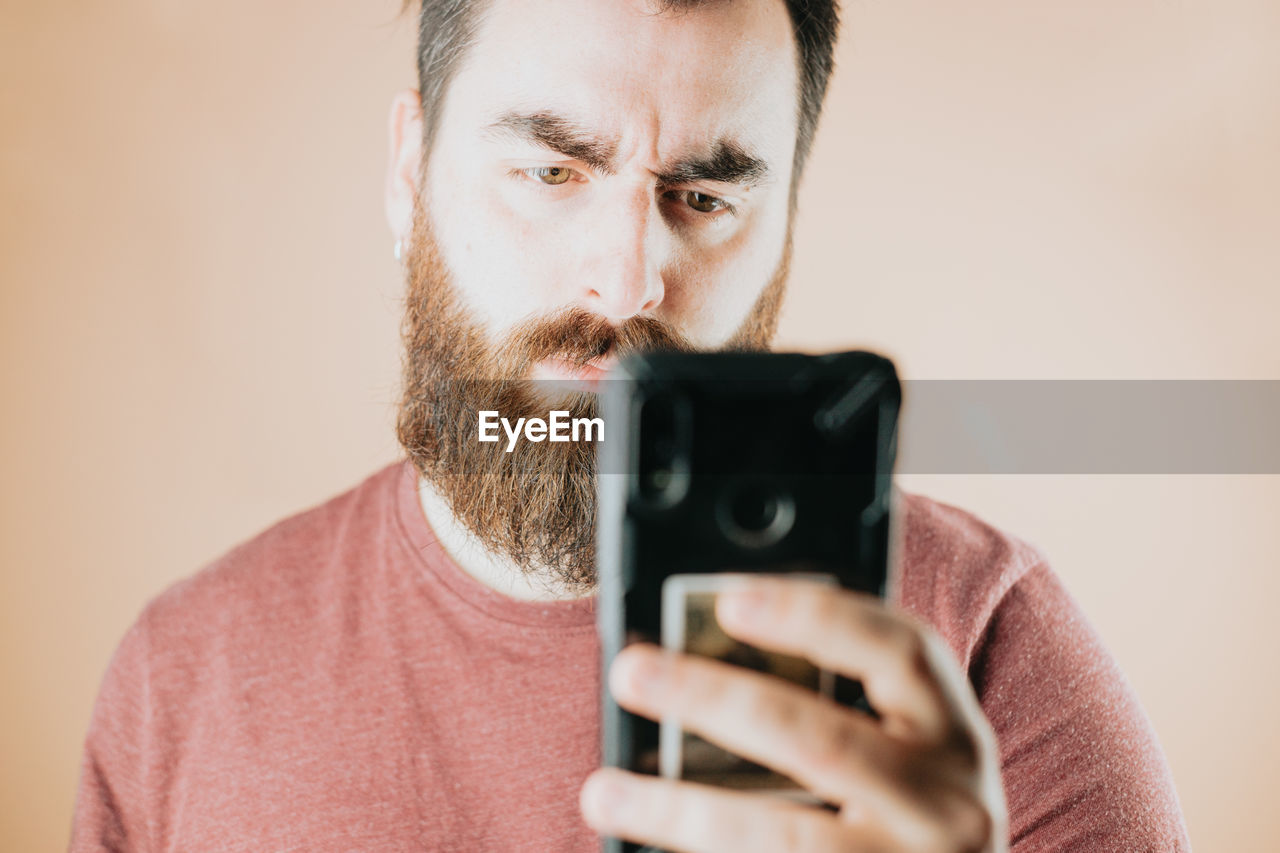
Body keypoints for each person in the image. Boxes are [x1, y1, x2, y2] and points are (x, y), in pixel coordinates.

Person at [69, 1, 1191, 850]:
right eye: (550, 170)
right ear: (410, 173)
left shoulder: (985, 653)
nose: (627, 281)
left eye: (703, 198)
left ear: (785, 220)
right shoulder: (183, 674)